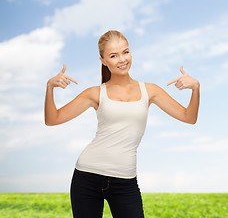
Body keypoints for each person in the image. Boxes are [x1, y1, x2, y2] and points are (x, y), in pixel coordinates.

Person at [44, 30, 200, 218]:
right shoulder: (95, 93)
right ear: (103, 60)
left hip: (125, 181)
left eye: (125, 52)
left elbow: (188, 117)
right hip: (86, 176)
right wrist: (50, 87)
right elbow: (53, 119)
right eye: (113, 55)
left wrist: (195, 88)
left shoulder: (150, 91)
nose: (122, 59)